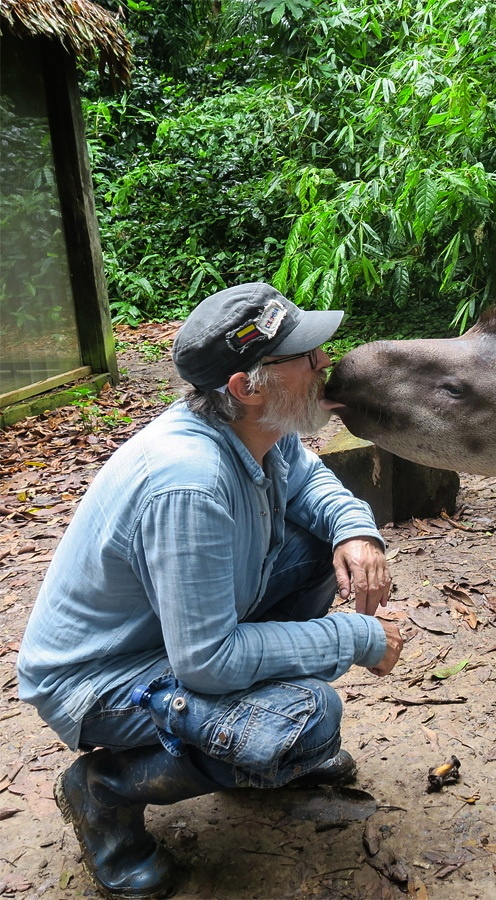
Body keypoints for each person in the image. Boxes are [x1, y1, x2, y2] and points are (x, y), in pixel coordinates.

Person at [17, 282, 404, 899]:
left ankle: (242, 742)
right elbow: (207, 661)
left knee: (316, 550)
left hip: (177, 638)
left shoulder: (254, 429)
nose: (325, 362)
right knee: (304, 720)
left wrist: (356, 532)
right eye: (306, 355)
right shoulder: (190, 483)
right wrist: (354, 636)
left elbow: (310, 484)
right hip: (98, 678)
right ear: (246, 386)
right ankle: (104, 791)